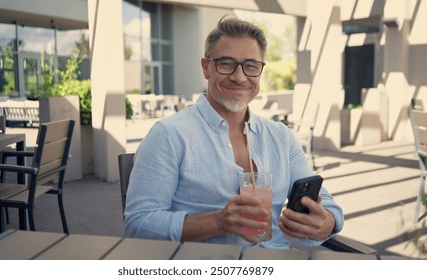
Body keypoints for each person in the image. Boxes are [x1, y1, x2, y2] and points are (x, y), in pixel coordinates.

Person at [124, 16, 344, 249]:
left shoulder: (281, 137)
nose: (239, 77)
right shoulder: (168, 135)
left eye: (251, 66)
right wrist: (218, 222)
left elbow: (328, 205)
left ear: (260, 71)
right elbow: (138, 224)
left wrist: (326, 221)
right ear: (206, 68)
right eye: (226, 63)